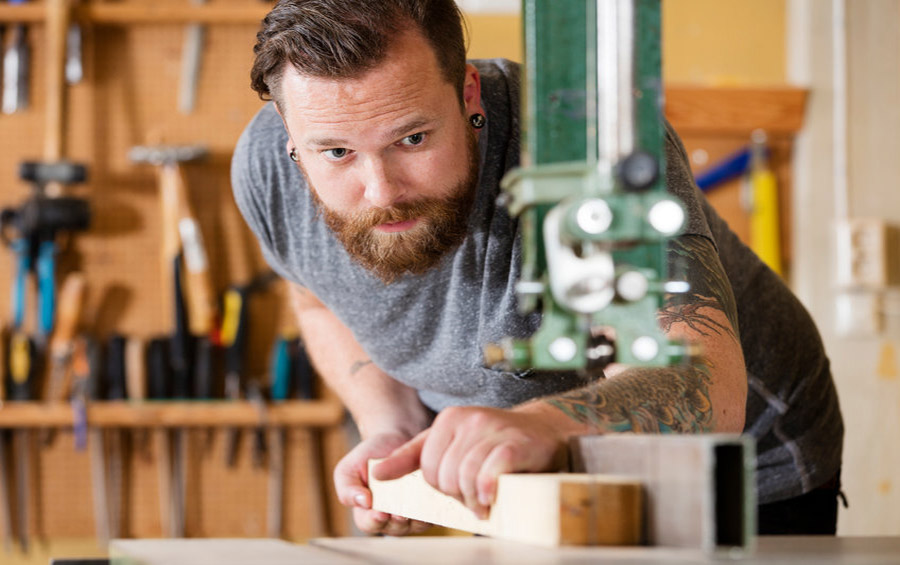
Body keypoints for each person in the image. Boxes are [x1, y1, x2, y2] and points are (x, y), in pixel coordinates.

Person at [232, 0, 844, 536]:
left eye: (412, 139)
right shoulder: (266, 170)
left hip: (741, 465)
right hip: (532, 471)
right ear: (289, 133)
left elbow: (704, 381)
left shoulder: (584, 140)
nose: (381, 191)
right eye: (336, 152)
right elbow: (313, 295)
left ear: (467, 92)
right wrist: (390, 422)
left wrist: (548, 427)